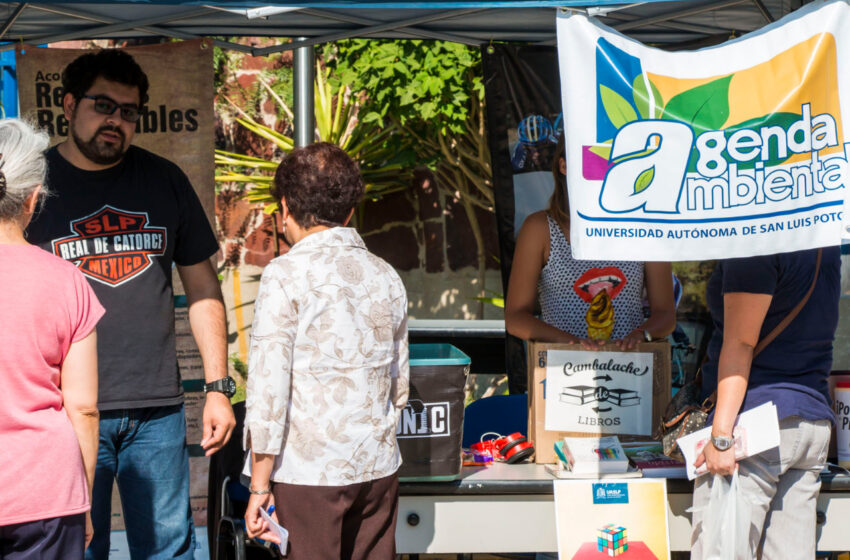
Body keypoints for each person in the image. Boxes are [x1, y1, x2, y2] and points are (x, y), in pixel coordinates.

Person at [25, 49, 236, 559]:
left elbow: (204, 290)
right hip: (64, 410)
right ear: (70, 105)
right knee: (77, 548)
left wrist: (218, 388)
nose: (116, 121)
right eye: (104, 106)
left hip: (156, 413)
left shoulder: (165, 181)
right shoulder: (35, 188)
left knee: (169, 549)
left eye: (128, 111)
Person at [243, 142, 409, 560]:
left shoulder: (284, 274)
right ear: (350, 211)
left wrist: (259, 485)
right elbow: (399, 385)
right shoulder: (385, 275)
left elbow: (269, 389)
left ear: (285, 207)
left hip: (309, 472)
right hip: (377, 467)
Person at [690, 246, 839, 559]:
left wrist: (720, 436)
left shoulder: (755, 243)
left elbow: (741, 342)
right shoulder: (821, 238)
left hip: (754, 425)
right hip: (810, 420)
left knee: (722, 550)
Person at [0, 119, 103, 558]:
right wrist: (84, 502)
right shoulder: (67, 282)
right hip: (47, 495)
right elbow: (83, 407)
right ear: (33, 198)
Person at [505, 135, 676, 349]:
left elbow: (666, 314)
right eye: (593, 160)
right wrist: (572, 344)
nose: (603, 169)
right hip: (563, 371)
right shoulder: (540, 228)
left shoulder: (645, 226)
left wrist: (642, 335)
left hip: (631, 370)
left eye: (615, 160)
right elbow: (516, 318)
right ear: (563, 165)